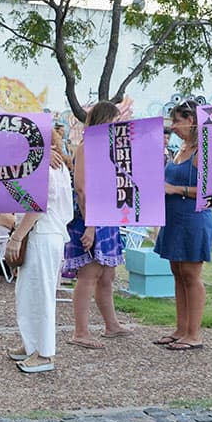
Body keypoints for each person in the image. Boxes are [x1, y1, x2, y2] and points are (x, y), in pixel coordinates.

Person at [6, 127, 75, 373]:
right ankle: (31, 343)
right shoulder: (46, 165)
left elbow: (37, 205)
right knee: (28, 293)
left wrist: (17, 237)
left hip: (43, 234)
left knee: (41, 295)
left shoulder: (47, 168)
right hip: (42, 235)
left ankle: (45, 352)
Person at [64, 101, 127, 349]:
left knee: (107, 275)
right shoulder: (87, 147)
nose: (118, 126)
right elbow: (81, 188)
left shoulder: (106, 149)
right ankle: (80, 331)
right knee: (89, 274)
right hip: (90, 218)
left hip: (105, 218)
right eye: (114, 122)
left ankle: (111, 325)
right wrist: (90, 225)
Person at [152, 100, 212, 351]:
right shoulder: (180, 150)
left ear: (192, 121)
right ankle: (181, 329)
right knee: (177, 273)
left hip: (193, 218)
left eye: (177, 121)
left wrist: (174, 189)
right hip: (173, 218)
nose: (173, 127)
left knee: (191, 275)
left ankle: (194, 334)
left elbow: (209, 193)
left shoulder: (204, 152)